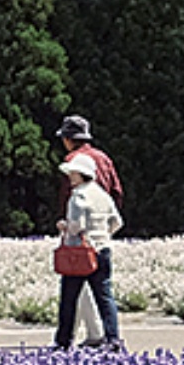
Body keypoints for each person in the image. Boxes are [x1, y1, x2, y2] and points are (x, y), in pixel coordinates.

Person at [57, 115, 123, 345]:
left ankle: (68, 339)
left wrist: (66, 227)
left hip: (80, 245)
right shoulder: (103, 159)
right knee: (104, 295)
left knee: (71, 295)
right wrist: (104, 233)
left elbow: (76, 220)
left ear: (68, 139)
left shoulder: (75, 173)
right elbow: (117, 194)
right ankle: (110, 337)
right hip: (103, 243)